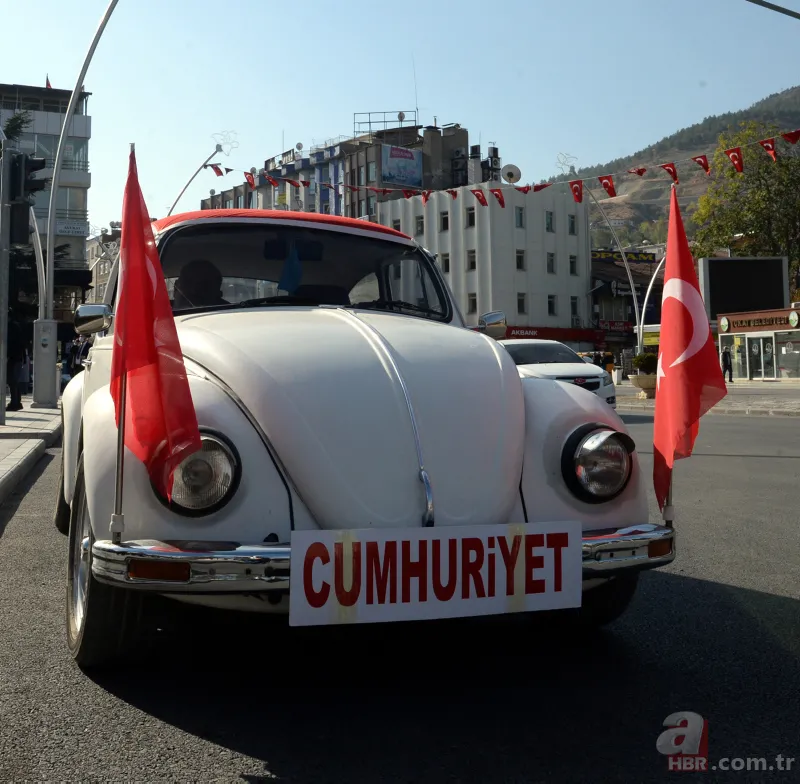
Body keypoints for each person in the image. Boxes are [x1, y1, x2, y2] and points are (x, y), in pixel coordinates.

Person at [6, 310, 24, 411]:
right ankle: (17, 402)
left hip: (13, 358)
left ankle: (15, 402)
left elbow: (11, 343)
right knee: (14, 381)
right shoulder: (16, 327)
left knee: (12, 380)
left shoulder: (11, 327)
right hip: (16, 357)